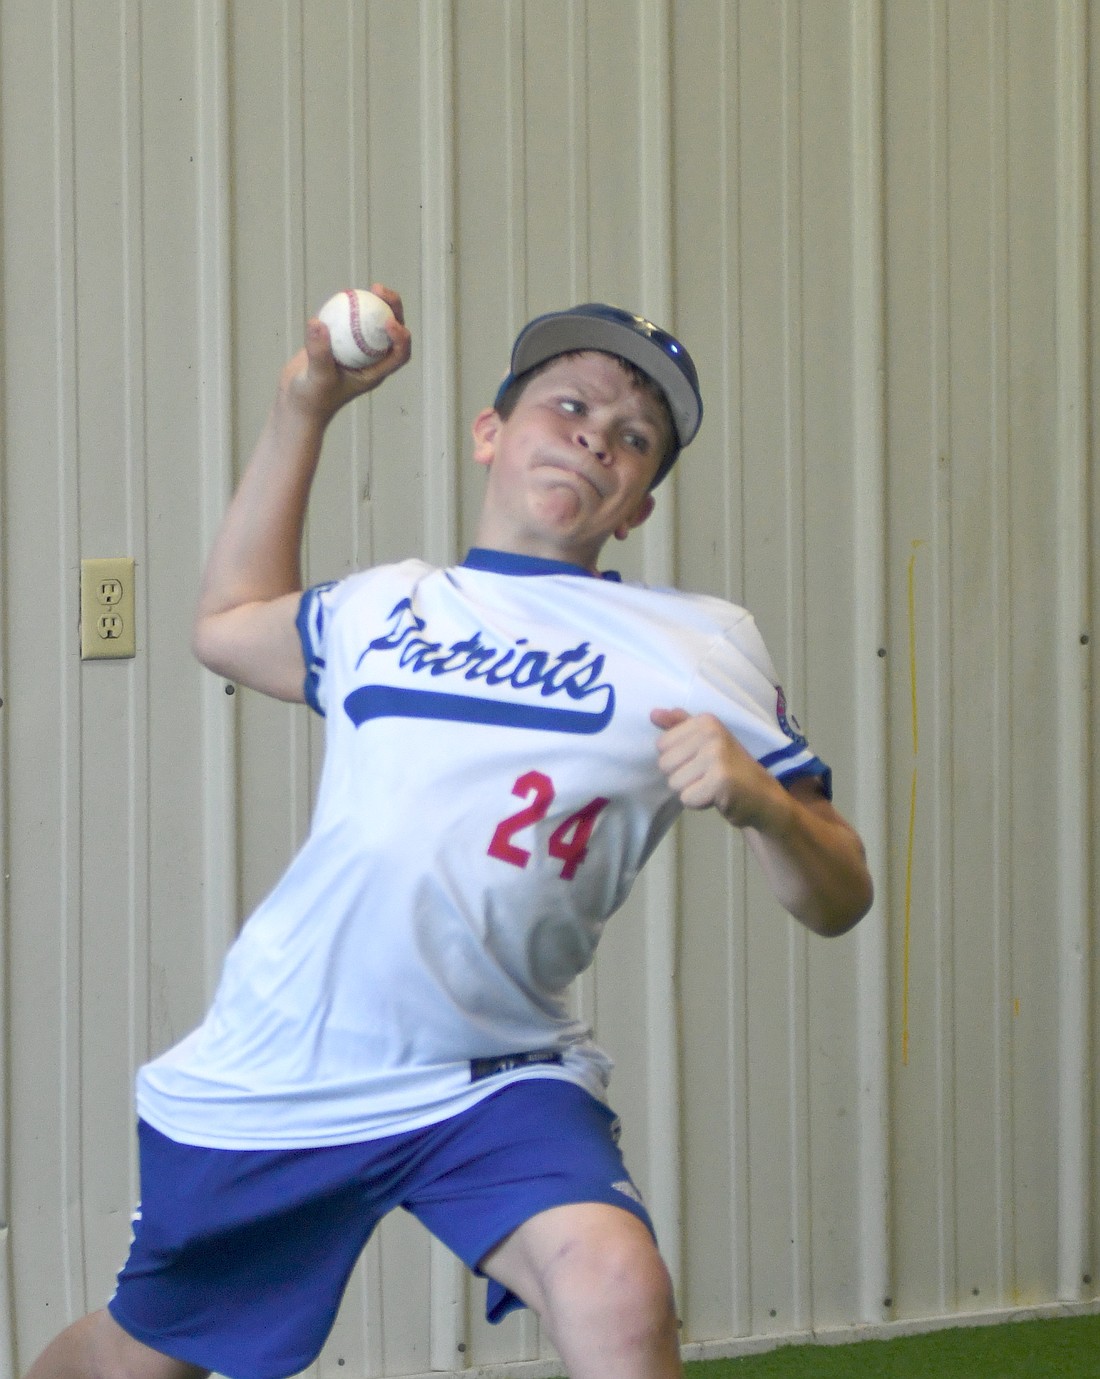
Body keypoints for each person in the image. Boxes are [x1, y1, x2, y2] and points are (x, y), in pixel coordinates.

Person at [27, 289, 872, 1379]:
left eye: (632, 439)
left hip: (494, 1066)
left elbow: (838, 894)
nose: (593, 437)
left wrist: (760, 800)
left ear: (635, 510)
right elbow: (226, 626)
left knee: (616, 1280)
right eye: (566, 404)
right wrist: (305, 405)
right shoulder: (389, 605)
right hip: (290, 1058)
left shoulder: (698, 643)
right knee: (138, 1355)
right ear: (488, 434)